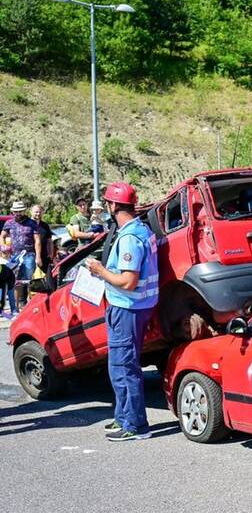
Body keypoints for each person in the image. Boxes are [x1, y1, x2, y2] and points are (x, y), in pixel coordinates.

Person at [86, 182, 159, 442]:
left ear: (114, 205)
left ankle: (135, 425)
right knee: (122, 365)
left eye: (108, 202)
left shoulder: (129, 238)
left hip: (127, 307)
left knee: (123, 367)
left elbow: (128, 281)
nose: (107, 206)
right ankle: (123, 416)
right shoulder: (142, 229)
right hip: (136, 307)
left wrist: (99, 271)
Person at [2, 201, 38, 307]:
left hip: (29, 254)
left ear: (24, 211)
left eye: (20, 211)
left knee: (28, 279)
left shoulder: (32, 223)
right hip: (14, 256)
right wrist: (3, 247)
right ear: (13, 212)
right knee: (15, 280)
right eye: (16, 211)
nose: (18, 213)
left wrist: (38, 256)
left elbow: (37, 240)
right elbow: (2, 236)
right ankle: (16, 306)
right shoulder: (9, 223)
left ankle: (27, 304)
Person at [30, 204, 53, 270]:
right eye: (36, 212)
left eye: (40, 212)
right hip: (30, 256)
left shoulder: (45, 225)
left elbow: (49, 241)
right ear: (31, 212)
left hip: (44, 256)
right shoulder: (27, 224)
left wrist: (51, 254)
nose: (38, 214)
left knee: (45, 275)